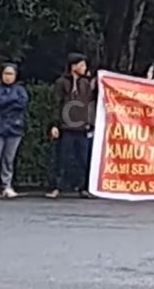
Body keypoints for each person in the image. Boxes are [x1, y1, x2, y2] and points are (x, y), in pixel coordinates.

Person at [46, 53, 94, 199]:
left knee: (83, 159)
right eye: (82, 65)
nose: (84, 68)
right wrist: (54, 124)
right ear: (74, 66)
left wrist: (90, 123)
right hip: (66, 127)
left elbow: (91, 104)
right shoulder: (62, 82)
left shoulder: (87, 84)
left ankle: (83, 187)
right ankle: (56, 186)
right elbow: (56, 104)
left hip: (82, 127)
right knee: (62, 158)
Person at [0, 63, 28, 198]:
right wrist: (12, 101)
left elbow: (22, 103)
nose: (8, 77)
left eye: (11, 74)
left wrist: (7, 102)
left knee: (9, 159)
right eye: (6, 73)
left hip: (14, 128)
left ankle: (6, 185)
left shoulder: (20, 89)